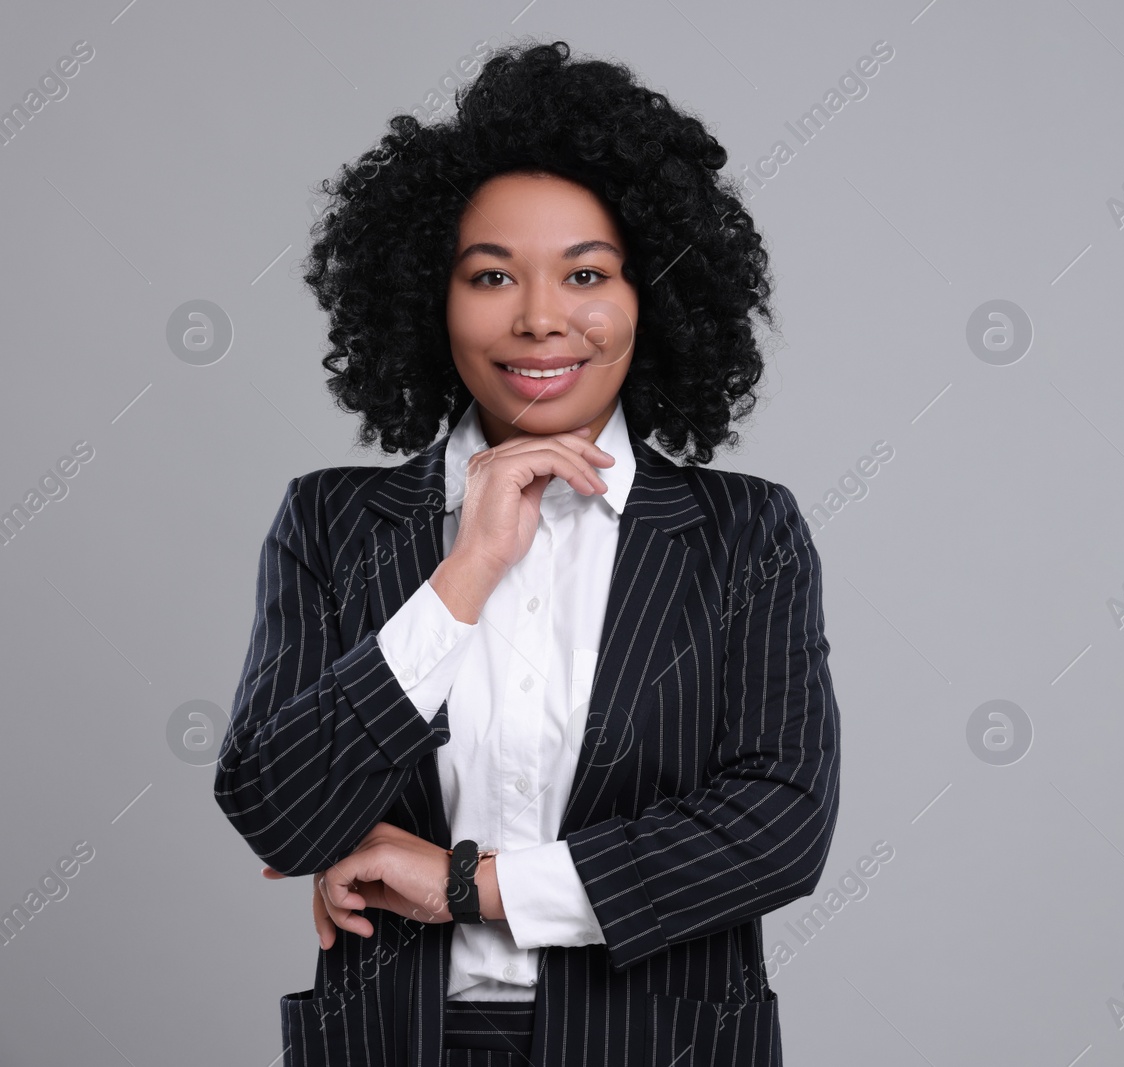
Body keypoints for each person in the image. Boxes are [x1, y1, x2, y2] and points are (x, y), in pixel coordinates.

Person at [212, 38, 841, 1067]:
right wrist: (466, 570)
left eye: (586, 274)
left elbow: (776, 824)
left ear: (654, 298)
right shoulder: (333, 521)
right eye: (491, 274)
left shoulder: (746, 533)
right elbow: (280, 813)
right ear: (431, 297)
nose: (541, 317)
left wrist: (470, 883)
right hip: (390, 1041)